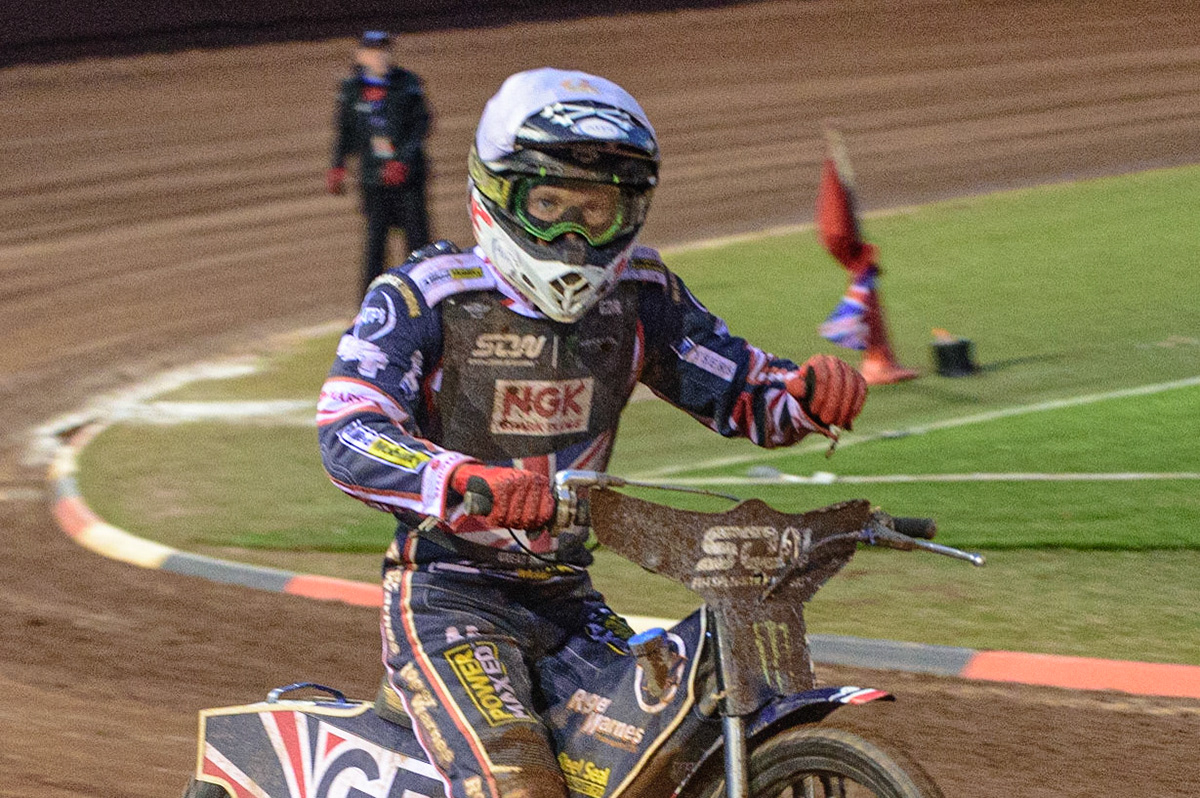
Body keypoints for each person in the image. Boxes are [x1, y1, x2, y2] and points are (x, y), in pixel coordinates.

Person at [317, 68, 868, 798]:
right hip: (449, 601)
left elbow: (740, 391)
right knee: (522, 783)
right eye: (548, 205)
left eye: (598, 210)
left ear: (630, 212)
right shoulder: (424, 296)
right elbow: (348, 429)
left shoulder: (641, 296)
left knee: (669, 754)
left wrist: (805, 395)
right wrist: (460, 480)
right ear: (498, 193)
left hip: (568, 600)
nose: (574, 236)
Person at [327, 30, 433, 298]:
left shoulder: (407, 84)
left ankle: (428, 301)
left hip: (409, 180)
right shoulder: (351, 91)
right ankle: (370, 307)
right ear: (361, 55)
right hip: (374, 182)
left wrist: (403, 160)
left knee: (418, 245)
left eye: (385, 50)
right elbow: (345, 132)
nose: (381, 57)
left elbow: (422, 125)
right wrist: (338, 165)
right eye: (374, 52)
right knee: (375, 246)